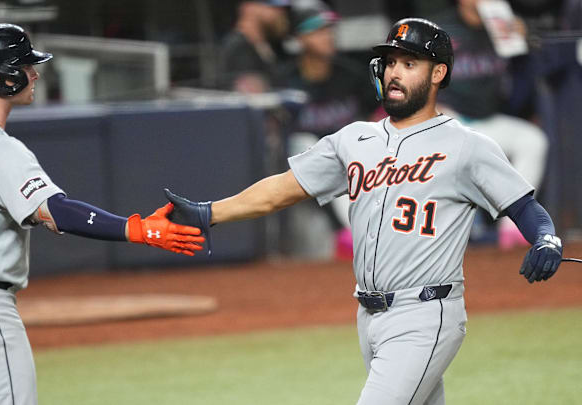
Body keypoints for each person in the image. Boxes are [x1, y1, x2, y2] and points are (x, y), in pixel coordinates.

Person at [166, 18, 563, 405]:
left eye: (409, 64)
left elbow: (525, 207)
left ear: (438, 73)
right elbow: (280, 190)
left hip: (424, 316)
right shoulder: (354, 139)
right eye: (390, 62)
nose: (395, 72)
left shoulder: (466, 146)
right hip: (369, 318)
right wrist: (209, 213)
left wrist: (545, 238)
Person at [0, 23, 204, 405]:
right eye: (26, 66)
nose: (35, 73)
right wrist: (136, 229)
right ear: (3, 76)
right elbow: (58, 212)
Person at [430, 0, 550, 249]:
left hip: (486, 119)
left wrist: (525, 42)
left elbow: (523, 83)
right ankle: (459, 227)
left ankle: (513, 227)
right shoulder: (440, 30)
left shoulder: (501, 26)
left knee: (533, 140)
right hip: (447, 119)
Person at [279, 2, 378, 259]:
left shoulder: (353, 75)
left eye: (329, 29)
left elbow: (378, 115)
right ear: (300, 38)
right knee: (303, 143)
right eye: (318, 30)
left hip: (354, 168)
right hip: (306, 172)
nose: (327, 36)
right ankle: (346, 232)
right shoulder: (284, 81)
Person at [218, 0, 291, 93]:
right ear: (249, 8)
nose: (281, 13)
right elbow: (252, 100)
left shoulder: (267, 44)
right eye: (274, 8)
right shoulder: (239, 47)